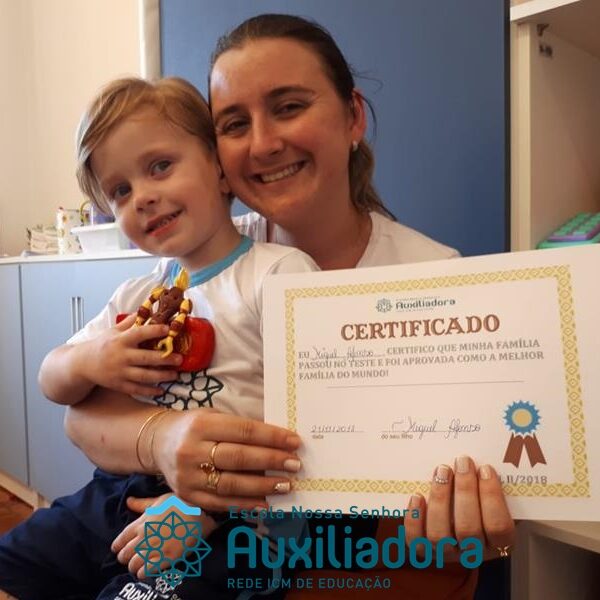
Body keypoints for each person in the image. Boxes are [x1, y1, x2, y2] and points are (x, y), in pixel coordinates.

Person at [0, 13, 515, 600]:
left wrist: (480, 517)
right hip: (144, 506)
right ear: (217, 155)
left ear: (353, 117)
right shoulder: (188, 256)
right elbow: (79, 416)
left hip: (280, 536)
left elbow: (453, 489)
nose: (264, 143)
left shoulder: (432, 280)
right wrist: (165, 441)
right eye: (235, 123)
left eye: (289, 106)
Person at [0, 76, 318, 600]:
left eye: (160, 166)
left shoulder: (277, 274)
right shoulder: (134, 294)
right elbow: (50, 378)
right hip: (122, 490)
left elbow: (308, 429)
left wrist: (203, 509)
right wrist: (90, 360)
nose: (143, 197)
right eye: (120, 191)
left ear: (219, 168)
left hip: (234, 515)